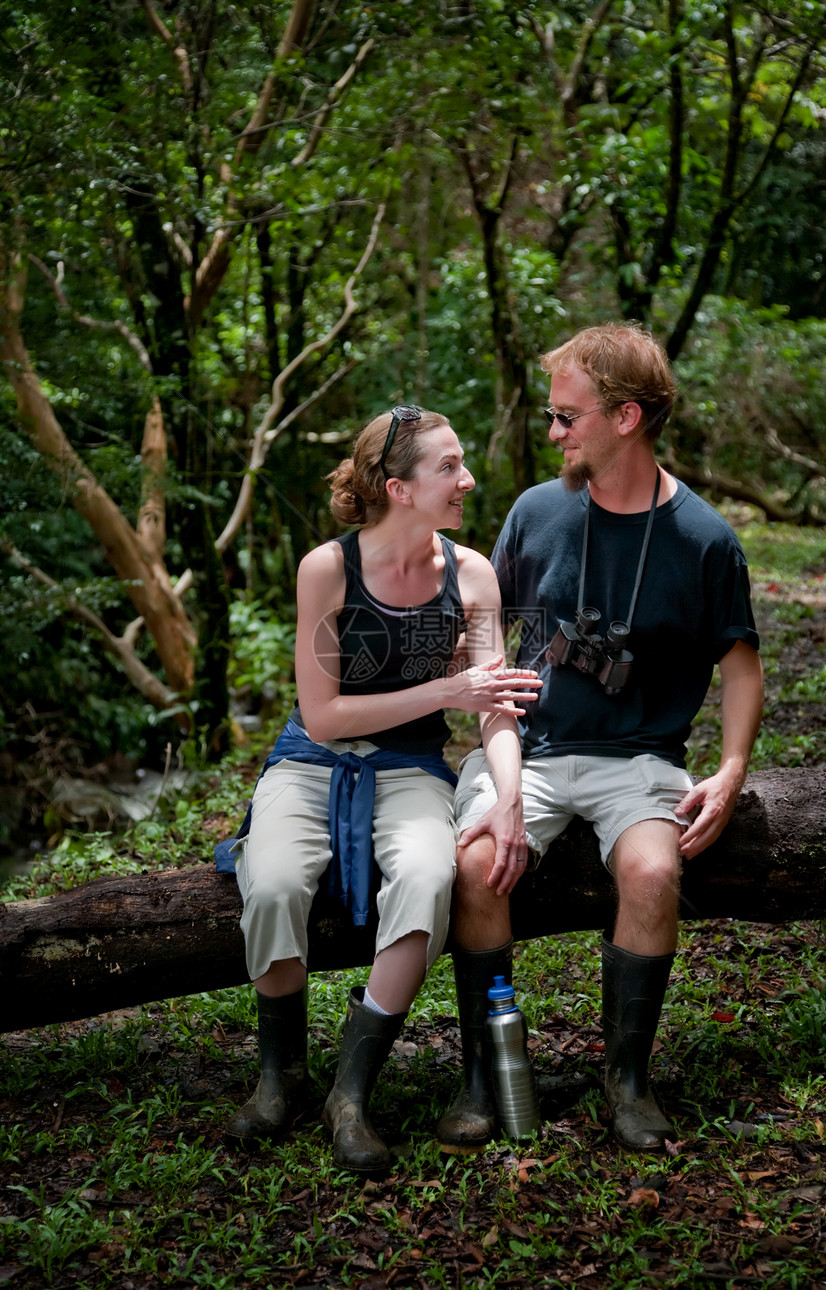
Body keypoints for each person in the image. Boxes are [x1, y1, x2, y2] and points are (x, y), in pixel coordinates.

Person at [436, 323, 764, 1153]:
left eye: (565, 416)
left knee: (653, 876)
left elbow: (740, 665)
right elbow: (483, 634)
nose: (554, 433)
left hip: (639, 759)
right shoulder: (538, 511)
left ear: (625, 418)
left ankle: (627, 1080)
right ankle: (484, 1071)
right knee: (475, 866)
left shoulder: (705, 540)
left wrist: (728, 772)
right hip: (532, 751)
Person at [219, 405, 541, 1175]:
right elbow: (324, 714)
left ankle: (349, 1092)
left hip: (410, 769)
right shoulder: (326, 569)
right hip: (310, 762)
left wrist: (510, 793)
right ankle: (281, 1078)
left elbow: (493, 705)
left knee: (429, 878)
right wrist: (448, 689)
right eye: (449, 467)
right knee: (269, 884)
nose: (467, 480)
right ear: (397, 487)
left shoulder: (471, 576)